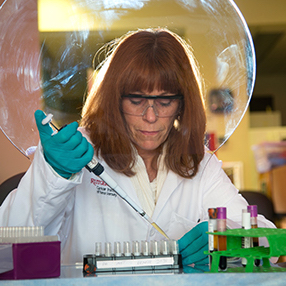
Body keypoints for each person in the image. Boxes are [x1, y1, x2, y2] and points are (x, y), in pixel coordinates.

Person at [0, 28, 275, 268]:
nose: (151, 116)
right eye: (136, 100)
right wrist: (53, 175)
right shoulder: (76, 151)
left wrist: (226, 241)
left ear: (182, 103)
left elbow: (270, 246)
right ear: (115, 100)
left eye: (165, 101)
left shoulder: (199, 163)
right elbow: (6, 251)